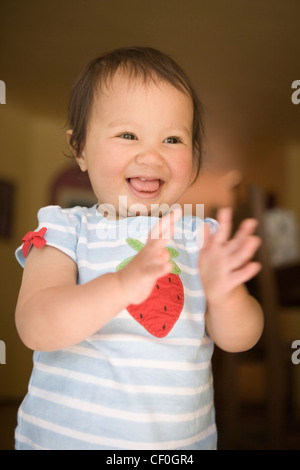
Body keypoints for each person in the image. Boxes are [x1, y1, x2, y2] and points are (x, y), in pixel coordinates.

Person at [14, 47, 264, 450]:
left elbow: (242, 339)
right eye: (128, 134)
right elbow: (35, 326)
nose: (152, 154)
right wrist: (121, 285)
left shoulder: (203, 238)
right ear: (79, 148)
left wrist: (226, 295)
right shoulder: (64, 229)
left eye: (172, 138)